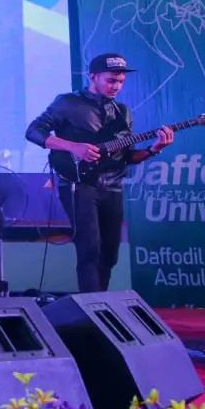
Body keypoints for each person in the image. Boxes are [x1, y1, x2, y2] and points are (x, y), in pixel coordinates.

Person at [26, 53, 173, 293]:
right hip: (79, 184)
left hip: (112, 186)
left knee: (110, 253)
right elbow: (34, 131)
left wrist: (153, 149)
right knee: (89, 249)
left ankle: (99, 302)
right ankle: (91, 306)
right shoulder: (68, 103)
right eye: (111, 80)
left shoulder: (123, 112)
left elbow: (127, 156)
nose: (116, 86)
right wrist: (73, 147)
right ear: (93, 76)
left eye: (121, 82)